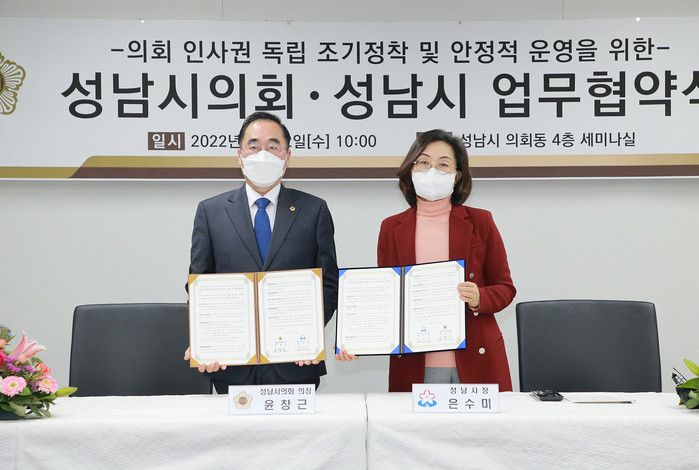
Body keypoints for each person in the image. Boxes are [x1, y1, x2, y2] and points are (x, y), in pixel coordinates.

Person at [336, 129, 515, 392]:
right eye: (423, 162)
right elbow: (386, 299)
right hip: (416, 363)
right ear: (411, 169)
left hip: (476, 358)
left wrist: (479, 298)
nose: (432, 171)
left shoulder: (481, 221)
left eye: (443, 164)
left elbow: (505, 288)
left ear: (457, 175)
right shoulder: (391, 227)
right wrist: (356, 339)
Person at [185, 111, 338, 393]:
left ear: (287, 157)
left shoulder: (314, 209)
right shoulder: (211, 211)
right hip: (231, 365)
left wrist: (311, 335)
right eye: (253, 145)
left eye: (273, 146)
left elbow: (328, 283)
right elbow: (200, 284)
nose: (263, 154)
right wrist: (206, 338)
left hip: (296, 362)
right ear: (240, 155)